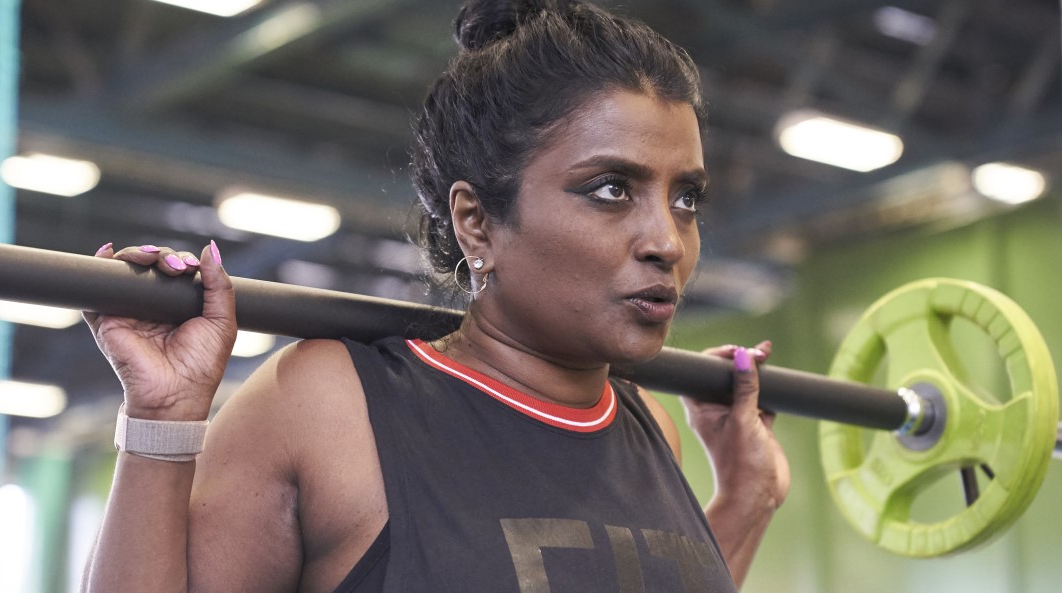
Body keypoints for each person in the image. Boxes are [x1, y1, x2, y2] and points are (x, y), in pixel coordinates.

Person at [81, 1, 789, 591]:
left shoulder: (648, 428)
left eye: (686, 197)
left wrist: (746, 500)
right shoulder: (330, 405)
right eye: (612, 189)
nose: (667, 239)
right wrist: (161, 420)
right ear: (477, 222)